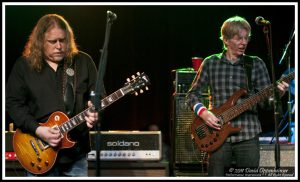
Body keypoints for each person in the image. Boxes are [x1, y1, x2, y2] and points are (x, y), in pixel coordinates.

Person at [186, 15, 289, 176]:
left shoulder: (256, 63)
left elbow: (266, 104)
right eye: (238, 38)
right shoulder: (210, 62)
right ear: (226, 40)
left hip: (248, 134)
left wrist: (279, 94)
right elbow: (192, 95)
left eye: (246, 38)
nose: (244, 42)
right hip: (216, 135)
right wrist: (204, 113)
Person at [6, 14, 100, 177]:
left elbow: (97, 96)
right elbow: (13, 103)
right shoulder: (24, 66)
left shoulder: (83, 62)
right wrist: (38, 129)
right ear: (40, 41)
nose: (59, 46)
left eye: (63, 40)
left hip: (76, 155)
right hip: (37, 152)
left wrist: (94, 112)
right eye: (52, 41)